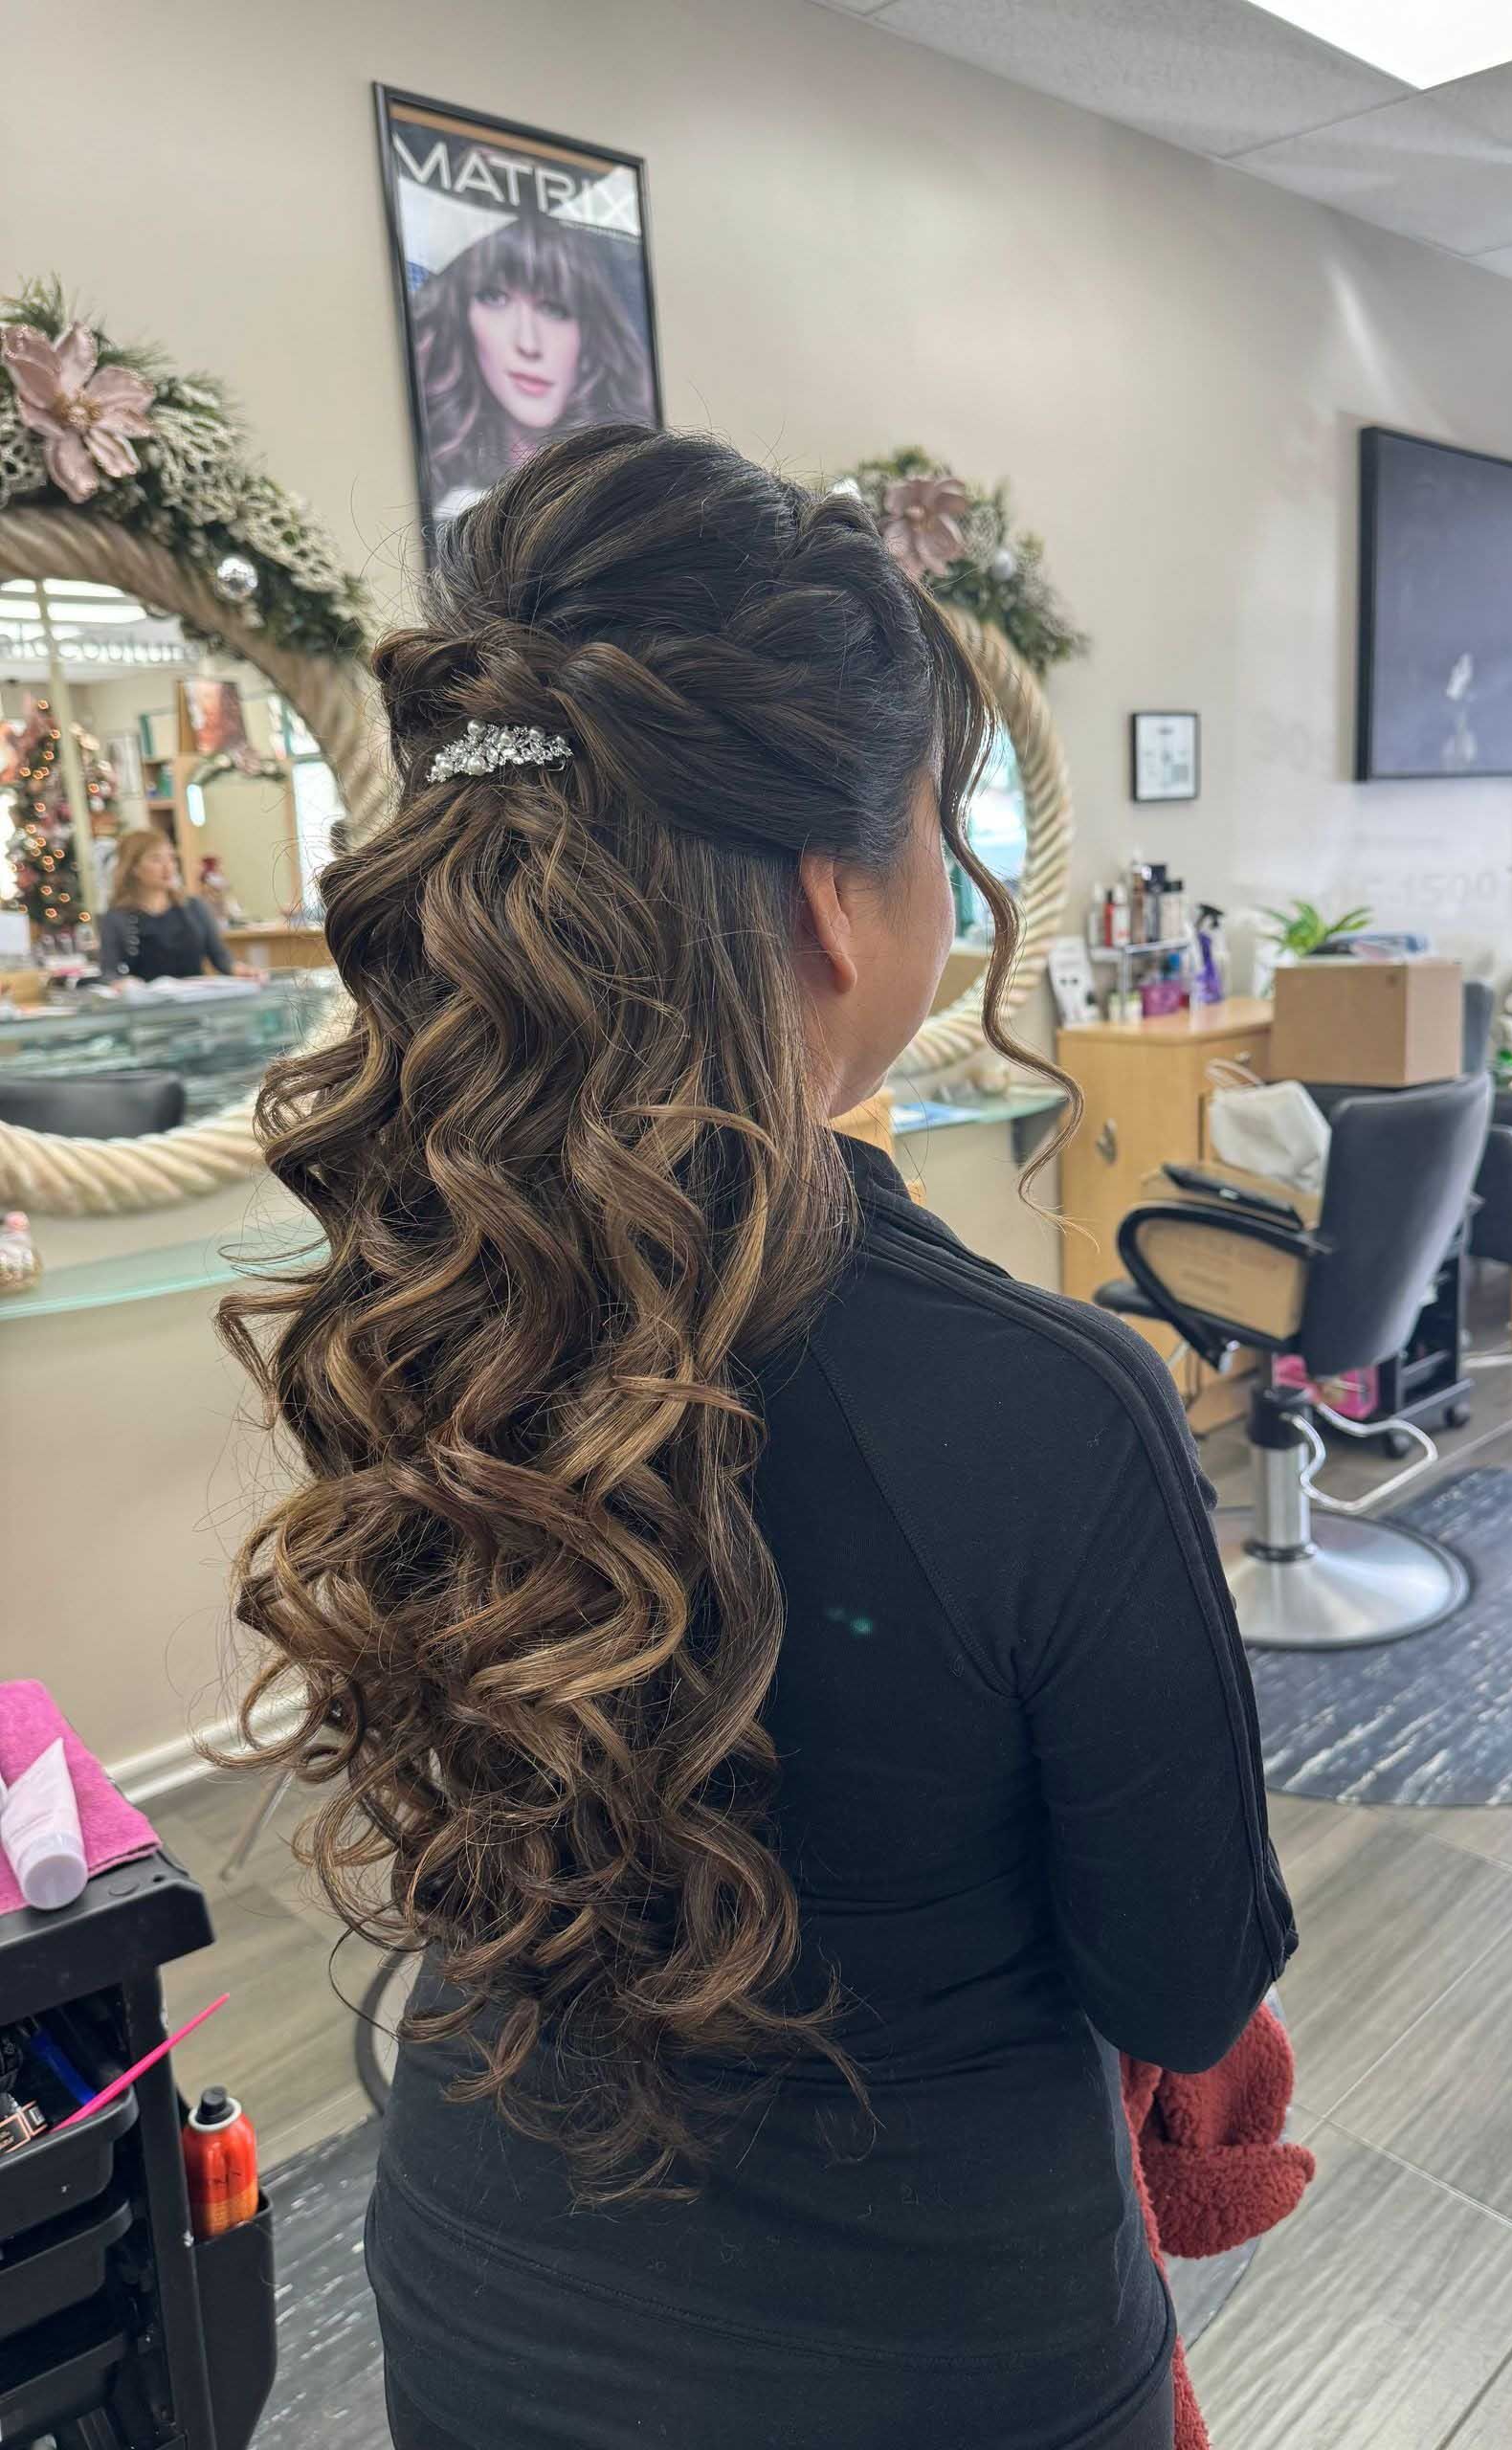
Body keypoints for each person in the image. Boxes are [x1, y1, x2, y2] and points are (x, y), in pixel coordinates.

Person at [221, 425, 1295, 2450]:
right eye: (937, 825)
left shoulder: (418, 1299)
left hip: (477, 2313)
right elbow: (1180, 1985)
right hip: (942, 2372)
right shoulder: (1055, 1409)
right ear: (833, 899)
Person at [413, 218, 658, 521]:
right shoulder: (451, 507)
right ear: (460, 319)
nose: (528, 344)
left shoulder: (631, 490)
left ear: (589, 333)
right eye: (496, 298)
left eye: (554, 309)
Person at [97, 831, 259, 982]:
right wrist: (121, 983)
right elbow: (109, 973)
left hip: (195, 999)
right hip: (148, 1003)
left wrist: (243, 971)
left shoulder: (195, 907)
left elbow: (222, 960)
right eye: (156, 859)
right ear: (134, 868)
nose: (168, 867)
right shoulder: (116, 919)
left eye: (171, 858)